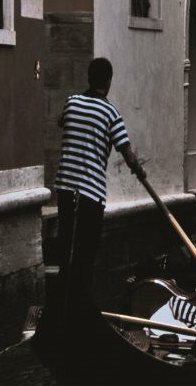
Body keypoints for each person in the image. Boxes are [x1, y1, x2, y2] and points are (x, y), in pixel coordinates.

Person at [54, 57, 145, 316]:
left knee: (66, 246)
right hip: (89, 193)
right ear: (108, 82)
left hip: (64, 187)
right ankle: (77, 308)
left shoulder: (71, 103)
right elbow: (127, 153)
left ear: (88, 78)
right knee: (84, 251)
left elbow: (61, 121)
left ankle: (66, 303)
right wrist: (139, 171)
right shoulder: (110, 113)